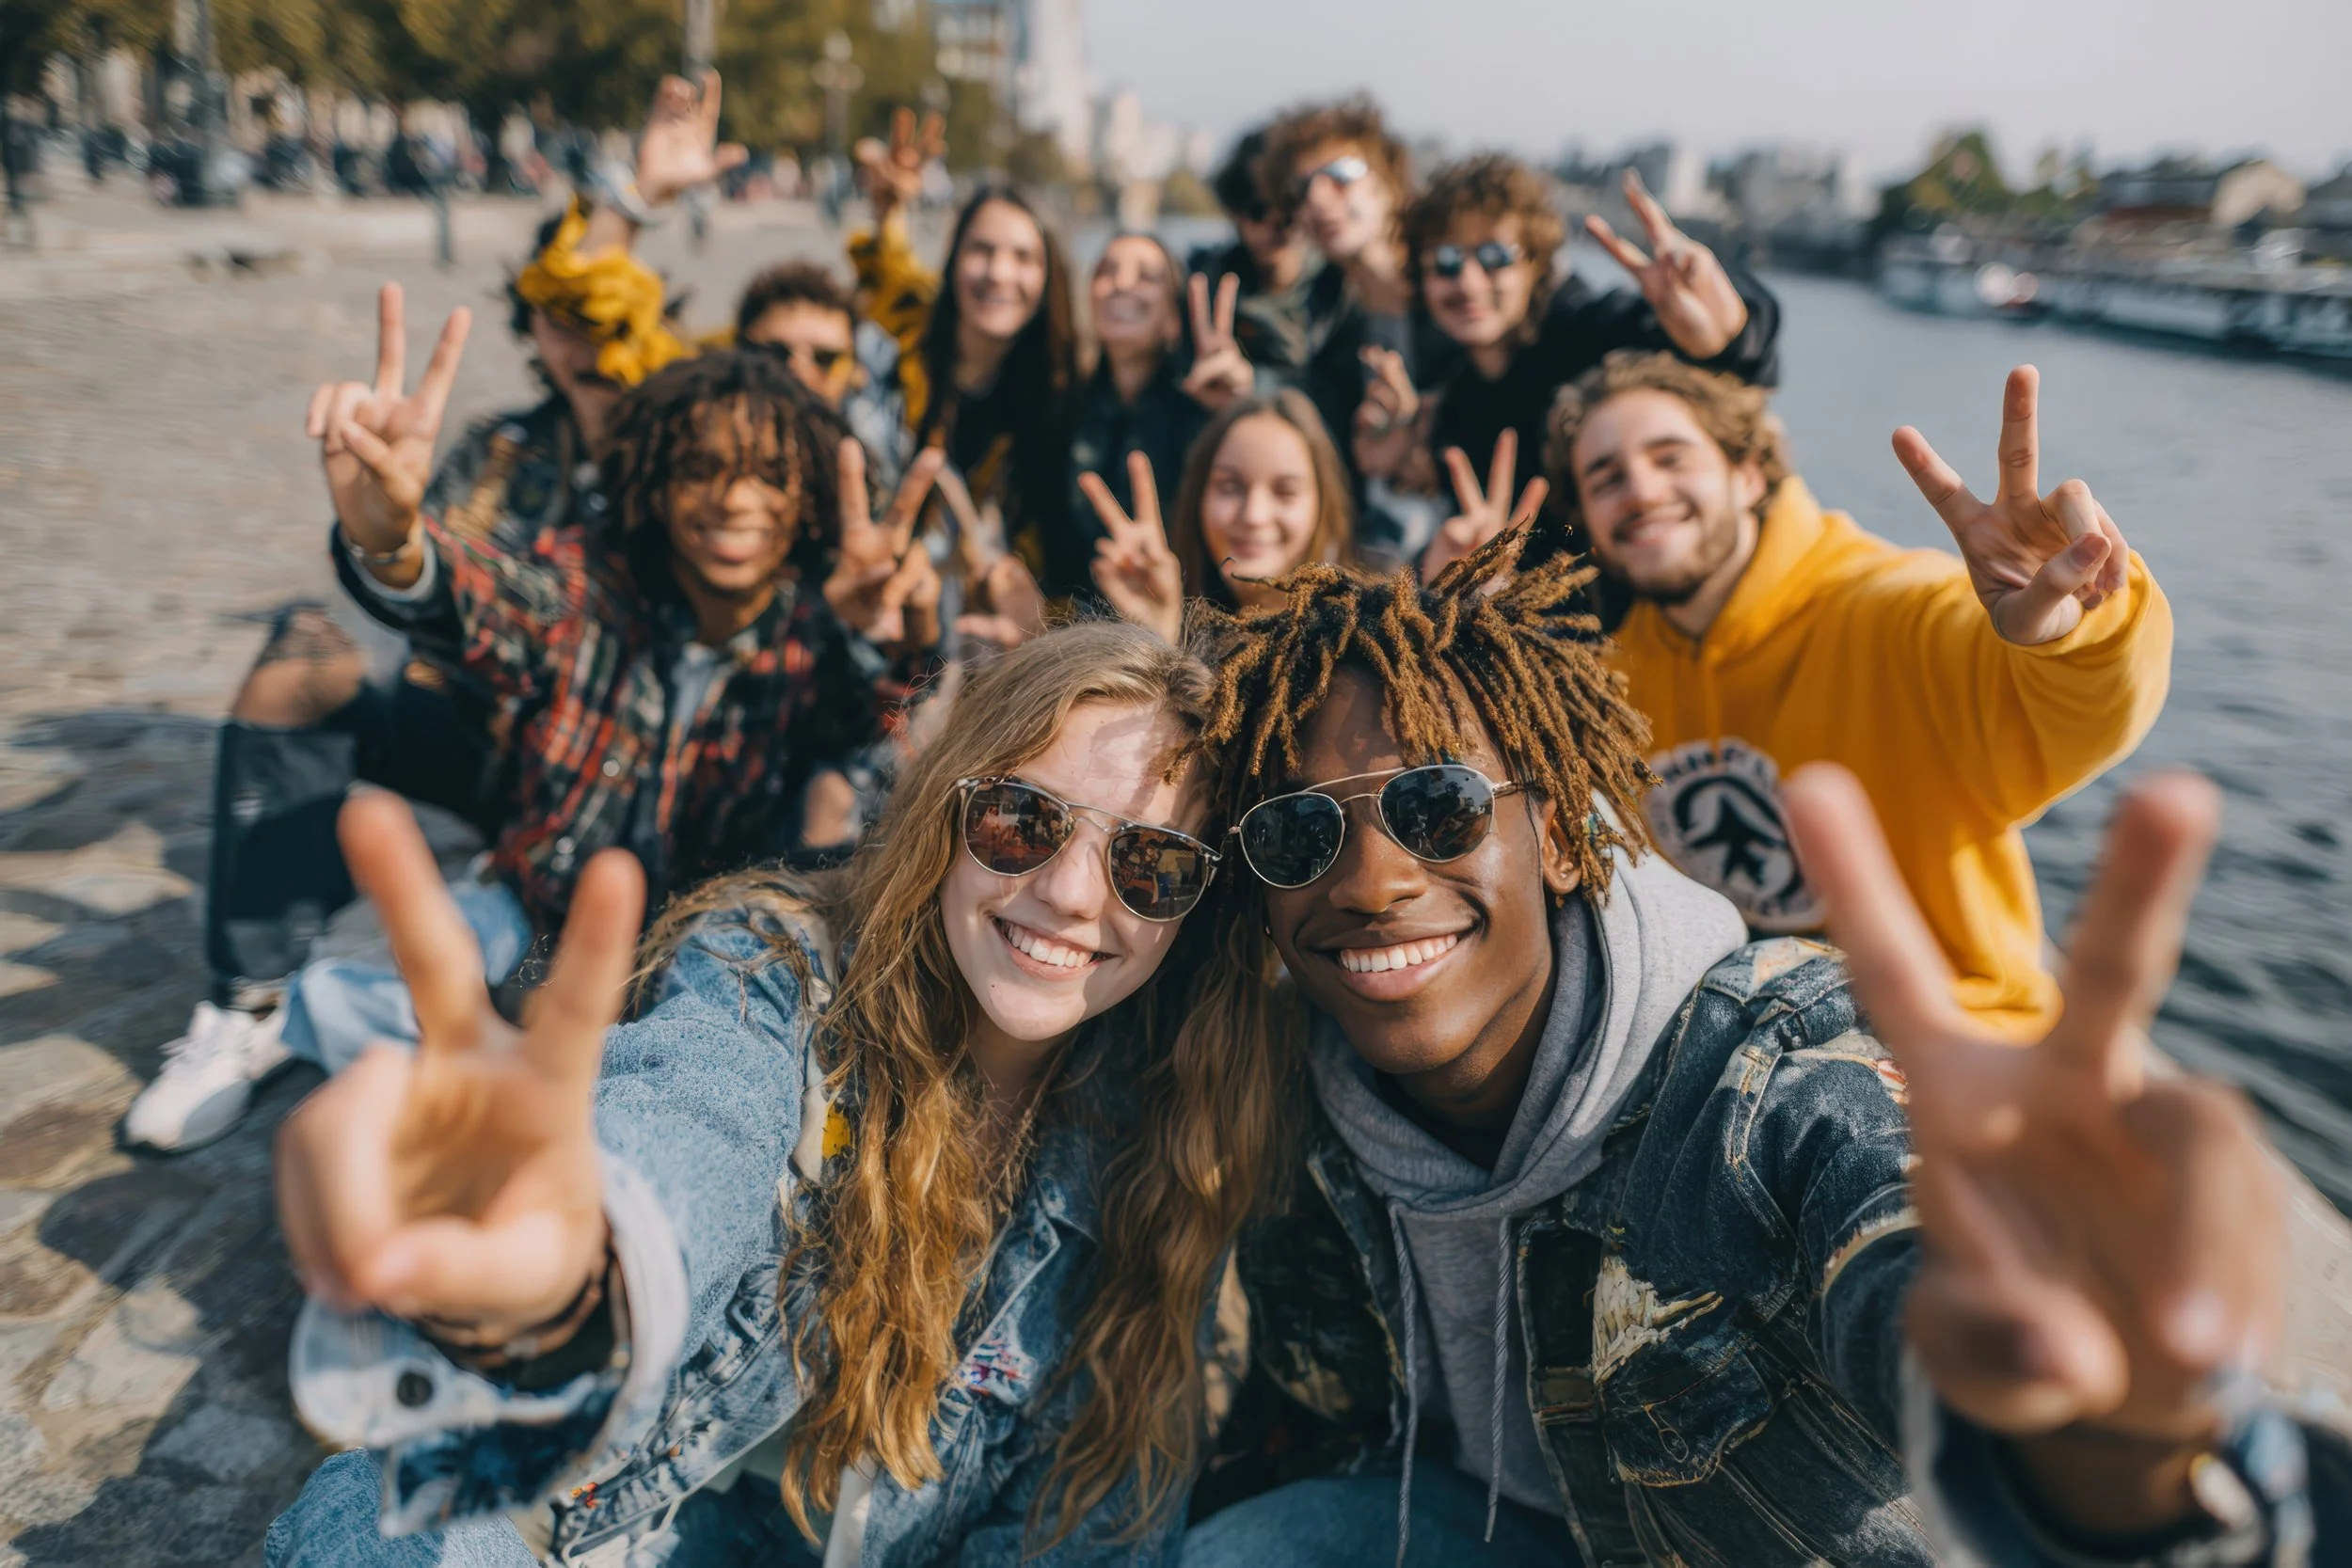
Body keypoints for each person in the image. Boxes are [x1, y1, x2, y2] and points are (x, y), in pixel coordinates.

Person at [1177, 546, 2342, 1565]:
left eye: (1437, 809)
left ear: (1567, 838)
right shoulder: (1302, 1099)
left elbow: (1911, 1266)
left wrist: (2096, 1440)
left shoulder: (1777, 1078)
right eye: (1298, 829)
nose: (1371, 882)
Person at [263, 622, 1288, 1566]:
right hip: (592, 1530)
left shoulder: (1162, 1139)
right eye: (1025, 819)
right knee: (384, 1524)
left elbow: (1084, 1523)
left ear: (1194, 904)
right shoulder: (774, 973)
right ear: (946, 809)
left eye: (1148, 861)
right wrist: (578, 1266)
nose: (1070, 890)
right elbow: (692, 1121)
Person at [128, 288, 946, 1151]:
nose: (734, 499)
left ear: (807, 498)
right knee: (366, 1001)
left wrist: (891, 637)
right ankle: (301, 1021)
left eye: (769, 476)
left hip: (693, 959)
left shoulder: (808, 632)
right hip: (535, 918)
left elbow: (872, 725)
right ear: (658, 482)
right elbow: (487, 595)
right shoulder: (591, 582)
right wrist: (394, 543)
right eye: (701, 468)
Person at [124, 155, 710, 1153]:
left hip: (608, 781)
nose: (585, 343)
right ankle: (246, 1006)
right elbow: (428, 585)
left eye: (602, 317)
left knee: (521, 1007)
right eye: (559, 317)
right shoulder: (497, 449)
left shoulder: (690, 446)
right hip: (479, 732)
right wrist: (384, 541)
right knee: (300, 656)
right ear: (528, 328)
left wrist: (631, 202)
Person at [1544, 352, 2170, 1036]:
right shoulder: (1614, 676)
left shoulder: (1889, 610)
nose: (1639, 488)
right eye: (1605, 478)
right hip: (1741, 1051)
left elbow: (2081, 707)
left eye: (1670, 457)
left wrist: (2070, 629)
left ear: (1750, 473)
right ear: (1589, 521)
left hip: (1952, 1044)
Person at [1379, 155, 1780, 589]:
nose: (1469, 282)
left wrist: (1731, 334)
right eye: (1446, 262)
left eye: (1495, 256)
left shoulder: (1586, 332)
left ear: (1535, 263)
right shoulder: (1453, 395)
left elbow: (1722, 348)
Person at [850, 113, 1086, 600]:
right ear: (953, 260)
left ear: (1049, 280)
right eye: (982, 250)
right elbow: (890, 278)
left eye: (1024, 257)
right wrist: (889, 214)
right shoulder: (900, 348)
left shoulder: (1060, 392)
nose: (1000, 273)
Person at [1082, 388, 1356, 643]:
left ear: (1323, 505)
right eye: (1230, 486)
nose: (1254, 515)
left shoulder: (1357, 647)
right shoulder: (1187, 642)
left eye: (1284, 491)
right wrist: (1158, 639)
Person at [1070, 234, 1256, 555]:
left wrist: (1238, 411)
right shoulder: (1065, 401)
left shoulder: (1201, 407)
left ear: (1173, 317)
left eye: (1147, 276)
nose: (1121, 284)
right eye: (1106, 271)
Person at [737, 257, 914, 498]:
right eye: (775, 353)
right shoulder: (693, 457)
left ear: (856, 373)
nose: (799, 370)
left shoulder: (881, 477)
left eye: (825, 358)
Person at [1188, 126, 1321, 378]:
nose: (1274, 223)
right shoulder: (1206, 284)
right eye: (1257, 209)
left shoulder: (1341, 289)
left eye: (1287, 205)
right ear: (1235, 212)